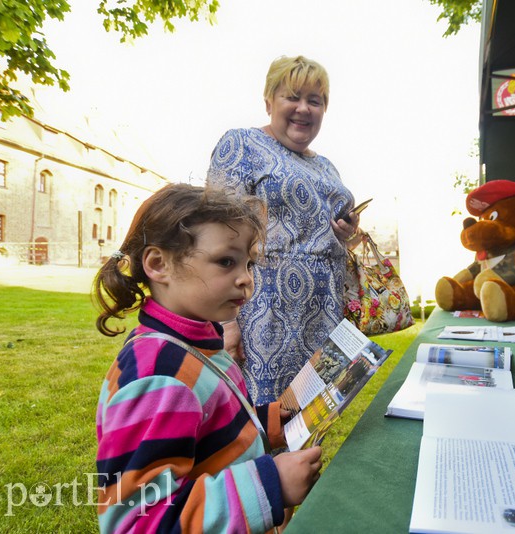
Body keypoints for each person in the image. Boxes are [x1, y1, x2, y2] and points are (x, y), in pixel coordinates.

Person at [92, 183, 322, 533]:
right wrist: (270, 485)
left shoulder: (196, 341)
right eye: (226, 261)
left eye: (248, 263)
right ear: (158, 264)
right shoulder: (161, 377)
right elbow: (138, 523)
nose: (246, 279)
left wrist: (268, 422)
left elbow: (207, 427)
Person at [207, 55, 362, 404]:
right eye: (292, 97)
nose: (303, 108)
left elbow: (321, 236)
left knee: (310, 418)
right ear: (269, 102)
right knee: (261, 420)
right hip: (263, 320)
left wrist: (345, 231)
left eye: (315, 101)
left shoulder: (326, 166)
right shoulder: (242, 145)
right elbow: (218, 235)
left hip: (323, 316)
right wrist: (226, 323)